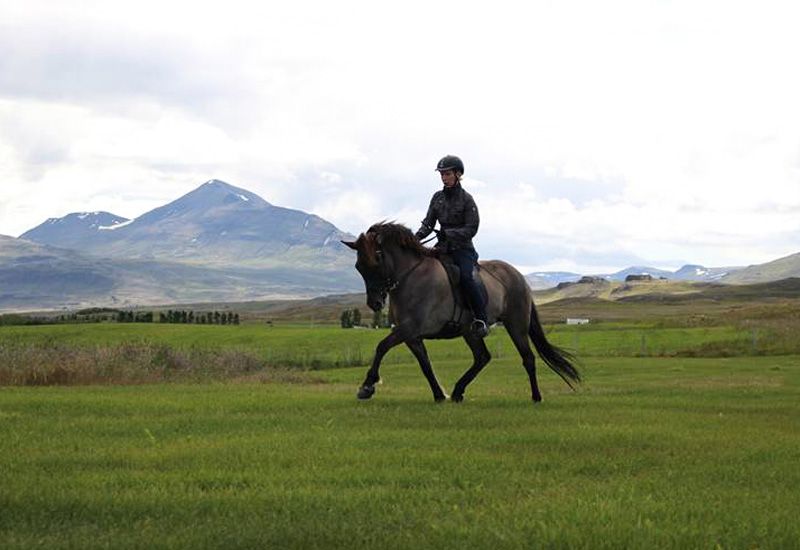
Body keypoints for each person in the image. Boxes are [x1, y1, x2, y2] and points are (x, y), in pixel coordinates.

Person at [415, 155, 489, 337]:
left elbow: (472, 228)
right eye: (441, 174)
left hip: (463, 250)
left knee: (466, 277)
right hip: (442, 248)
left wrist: (450, 234)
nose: (443, 177)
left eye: (447, 173)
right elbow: (428, 224)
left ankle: (481, 319)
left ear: (458, 174)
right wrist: (415, 239)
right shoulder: (437, 198)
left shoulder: (467, 200)